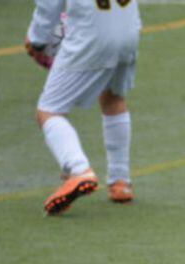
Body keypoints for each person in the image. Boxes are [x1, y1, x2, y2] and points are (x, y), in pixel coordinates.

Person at [25, 0, 141, 215]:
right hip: (128, 33)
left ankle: (79, 170)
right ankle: (120, 181)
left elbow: (49, 5)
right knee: (112, 97)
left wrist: (37, 39)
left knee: (48, 111)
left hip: (90, 39)